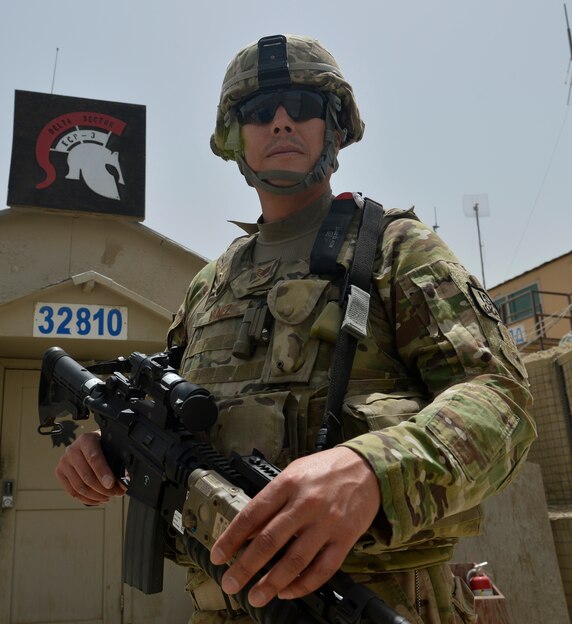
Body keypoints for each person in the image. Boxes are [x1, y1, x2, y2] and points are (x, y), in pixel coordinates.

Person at [55, 34, 536, 624]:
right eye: (259, 112)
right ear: (235, 139)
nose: (281, 121)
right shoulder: (212, 284)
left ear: (334, 128)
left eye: (303, 106)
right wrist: (103, 455)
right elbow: (176, 424)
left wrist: (374, 470)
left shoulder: (393, 250)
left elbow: (503, 400)